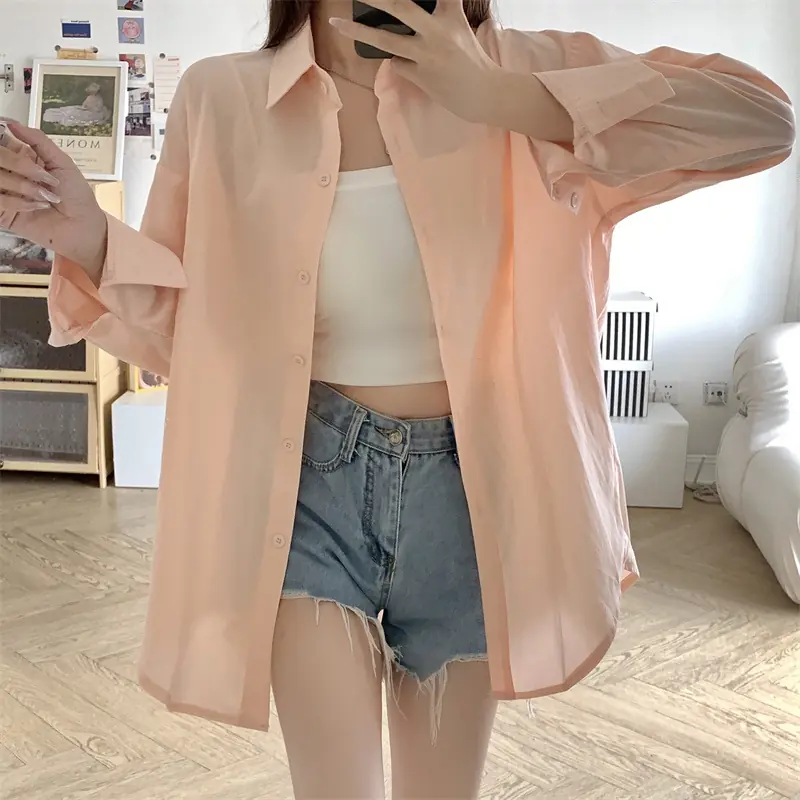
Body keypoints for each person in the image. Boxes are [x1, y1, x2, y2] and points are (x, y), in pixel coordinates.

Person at [0, 1, 794, 796]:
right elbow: (198, 332)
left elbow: (762, 120)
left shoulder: (524, 69)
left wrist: (498, 97)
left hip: (479, 500)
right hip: (304, 490)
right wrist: (88, 237)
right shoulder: (224, 97)